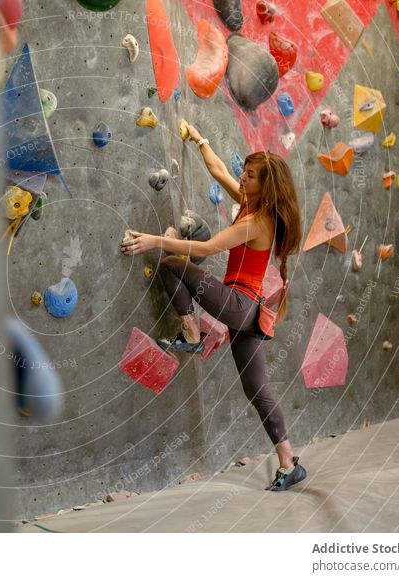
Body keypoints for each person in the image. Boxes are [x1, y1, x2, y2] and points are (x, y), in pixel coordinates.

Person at [120, 123, 305, 492]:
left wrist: (152, 241)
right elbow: (219, 169)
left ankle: (192, 333)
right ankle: (289, 461)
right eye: (245, 172)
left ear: (264, 185)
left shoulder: (256, 221)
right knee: (257, 390)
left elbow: (206, 250)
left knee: (173, 264)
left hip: (240, 304)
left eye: (250, 175)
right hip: (247, 312)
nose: (242, 177)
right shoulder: (252, 205)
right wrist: (199, 137)